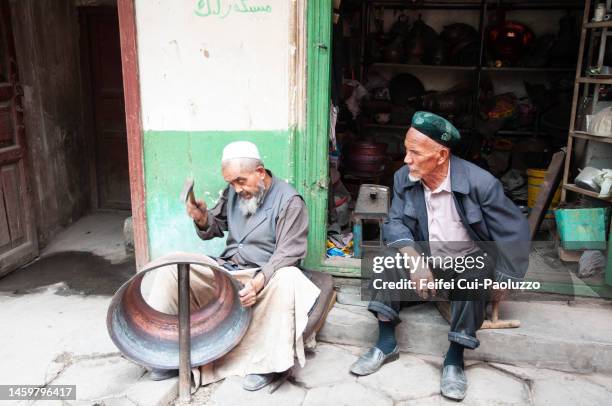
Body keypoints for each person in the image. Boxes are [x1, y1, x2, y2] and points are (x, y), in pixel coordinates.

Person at [349, 112, 530, 401]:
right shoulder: (403, 178)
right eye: (406, 149)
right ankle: (385, 343)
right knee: (385, 258)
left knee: (476, 271)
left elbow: (514, 231)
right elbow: (395, 222)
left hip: (465, 261)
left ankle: (455, 359)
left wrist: (506, 278)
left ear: (442, 155)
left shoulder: (480, 183)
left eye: (415, 152)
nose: (406, 158)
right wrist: (415, 260)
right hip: (427, 262)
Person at [146, 141, 320, 392]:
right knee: (173, 266)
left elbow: (288, 253)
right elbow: (215, 227)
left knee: (289, 278)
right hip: (228, 269)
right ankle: (166, 352)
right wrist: (203, 218)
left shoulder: (290, 201)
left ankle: (267, 364)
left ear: (260, 172)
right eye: (231, 183)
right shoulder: (233, 193)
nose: (237, 189)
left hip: (265, 277)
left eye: (241, 181)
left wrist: (260, 280)